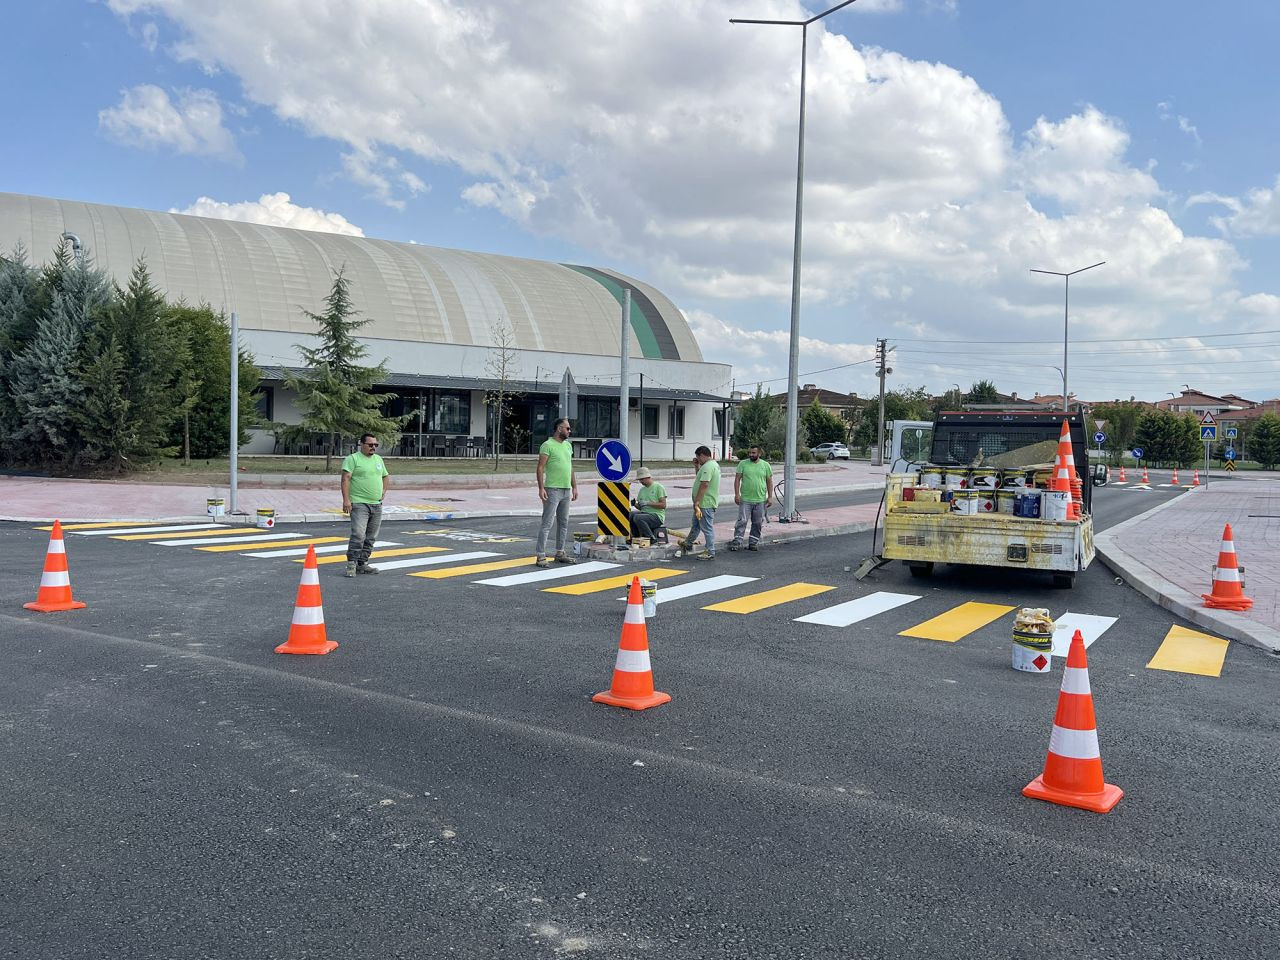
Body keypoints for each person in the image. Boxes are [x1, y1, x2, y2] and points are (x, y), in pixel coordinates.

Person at [341, 433, 390, 577]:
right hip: (359, 504)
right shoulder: (353, 459)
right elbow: (345, 479)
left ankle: (362, 564)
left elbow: (385, 476)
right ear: (361, 444)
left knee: (371, 537)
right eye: (370, 445)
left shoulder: (379, 459)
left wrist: (383, 492)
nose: (373, 447)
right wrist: (346, 500)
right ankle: (351, 564)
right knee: (358, 534)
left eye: (376, 445)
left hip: (376, 504)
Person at [535, 417, 578, 567]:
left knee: (564, 522)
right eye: (567, 428)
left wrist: (575, 487)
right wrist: (541, 488)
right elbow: (540, 467)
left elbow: (570, 467)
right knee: (547, 523)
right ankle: (540, 555)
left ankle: (560, 552)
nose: (569, 431)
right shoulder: (547, 445)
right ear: (559, 429)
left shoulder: (567, 446)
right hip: (552, 489)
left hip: (566, 489)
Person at [679, 445, 720, 560]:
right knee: (696, 525)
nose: (698, 459)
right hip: (703, 503)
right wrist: (697, 466)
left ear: (702, 455)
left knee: (707, 527)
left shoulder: (708, 466)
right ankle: (688, 543)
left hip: (705, 503)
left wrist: (697, 501)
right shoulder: (711, 465)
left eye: (698, 457)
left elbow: (704, 484)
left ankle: (710, 551)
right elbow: (700, 477)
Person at [730, 445, 773, 551]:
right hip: (745, 499)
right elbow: (737, 479)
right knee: (742, 521)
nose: (751, 455)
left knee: (758, 522)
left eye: (753, 453)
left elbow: (769, 481)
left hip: (760, 500)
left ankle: (753, 542)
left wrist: (770, 497)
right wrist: (737, 494)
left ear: (759, 453)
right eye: (750, 453)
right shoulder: (743, 464)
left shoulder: (765, 465)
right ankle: (737, 541)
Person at [630, 467, 667, 540]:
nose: (641, 481)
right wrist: (635, 504)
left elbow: (663, 505)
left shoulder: (658, 487)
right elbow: (641, 507)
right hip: (645, 513)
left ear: (648, 477)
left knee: (638, 517)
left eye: (642, 479)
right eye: (640, 480)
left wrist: (648, 503)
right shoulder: (642, 490)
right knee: (630, 515)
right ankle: (636, 537)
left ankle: (650, 538)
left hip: (656, 516)